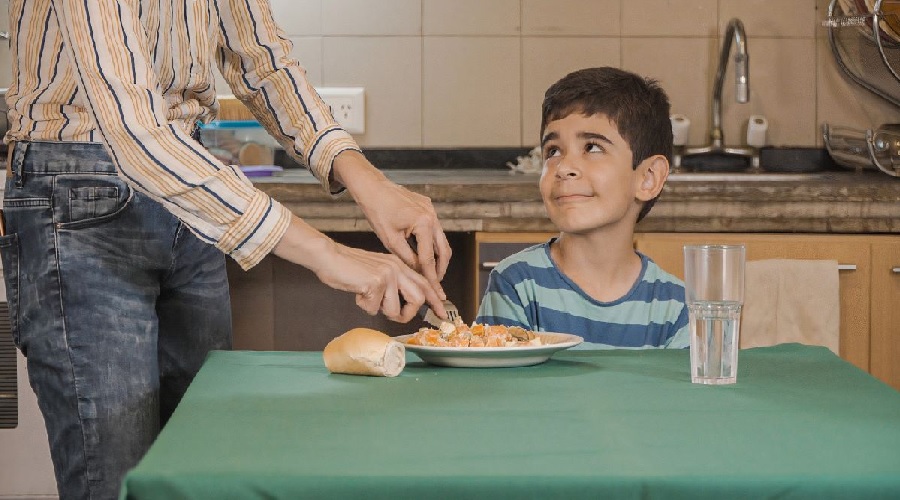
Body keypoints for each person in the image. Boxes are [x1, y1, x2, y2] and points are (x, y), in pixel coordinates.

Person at [1, 1, 451, 499]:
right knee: (116, 483)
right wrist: (328, 254)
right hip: (80, 197)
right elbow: (135, 133)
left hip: (188, 182)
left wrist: (364, 177)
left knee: (203, 468)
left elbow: (262, 62)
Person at [476, 67, 689, 349]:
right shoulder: (517, 285)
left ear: (648, 178)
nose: (564, 168)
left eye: (592, 147)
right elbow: (502, 389)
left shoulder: (676, 306)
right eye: (553, 151)